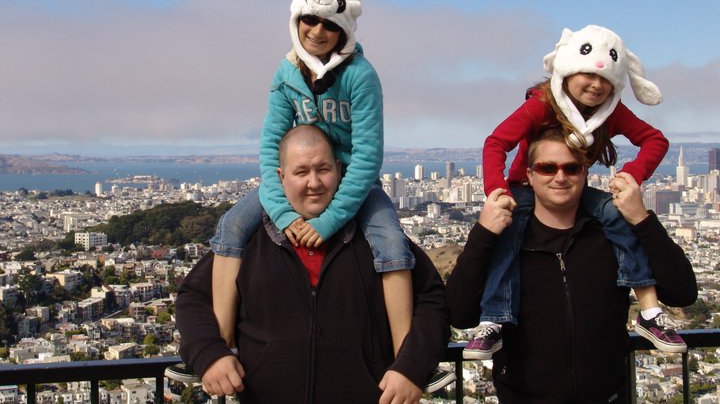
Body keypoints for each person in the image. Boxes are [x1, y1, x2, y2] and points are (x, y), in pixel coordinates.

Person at [210, 0, 415, 363]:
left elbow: (368, 155)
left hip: (352, 180)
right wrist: (285, 216)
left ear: (344, 31)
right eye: (309, 20)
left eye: (329, 25)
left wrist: (329, 221)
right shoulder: (286, 74)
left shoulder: (361, 76)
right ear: (296, 19)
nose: (317, 32)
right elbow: (272, 148)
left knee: (391, 242)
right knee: (231, 226)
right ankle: (220, 345)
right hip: (301, 181)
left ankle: (407, 356)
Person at [176, 125, 452, 403]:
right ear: (280, 178)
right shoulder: (248, 242)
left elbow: (431, 298)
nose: (314, 183)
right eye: (301, 172)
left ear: (340, 170)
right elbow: (194, 297)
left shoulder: (376, 237)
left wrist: (411, 367)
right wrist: (209, 354)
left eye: (323, 169)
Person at [465, 24, 683, 360]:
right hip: (524, 185)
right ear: (566, 70)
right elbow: (497, 142)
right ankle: (494, 319)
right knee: (509, 229)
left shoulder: (612, 111)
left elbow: (656, 139)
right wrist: (496, 189)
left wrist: (631, 176)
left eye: (606, 78)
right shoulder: (542, 103)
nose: (597, 85)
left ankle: (649, 311)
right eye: (588, 75)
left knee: (616, 211)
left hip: (574, 192)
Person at [447, 128, 697, 402]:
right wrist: (483, 234)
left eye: (572, 167)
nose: (560, 177)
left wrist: (640, 217)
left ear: (585, 173)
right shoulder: (507, 242)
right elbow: (460, 313)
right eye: (547, 167)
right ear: (529, 175)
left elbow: (682, 292)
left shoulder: (612, 236)